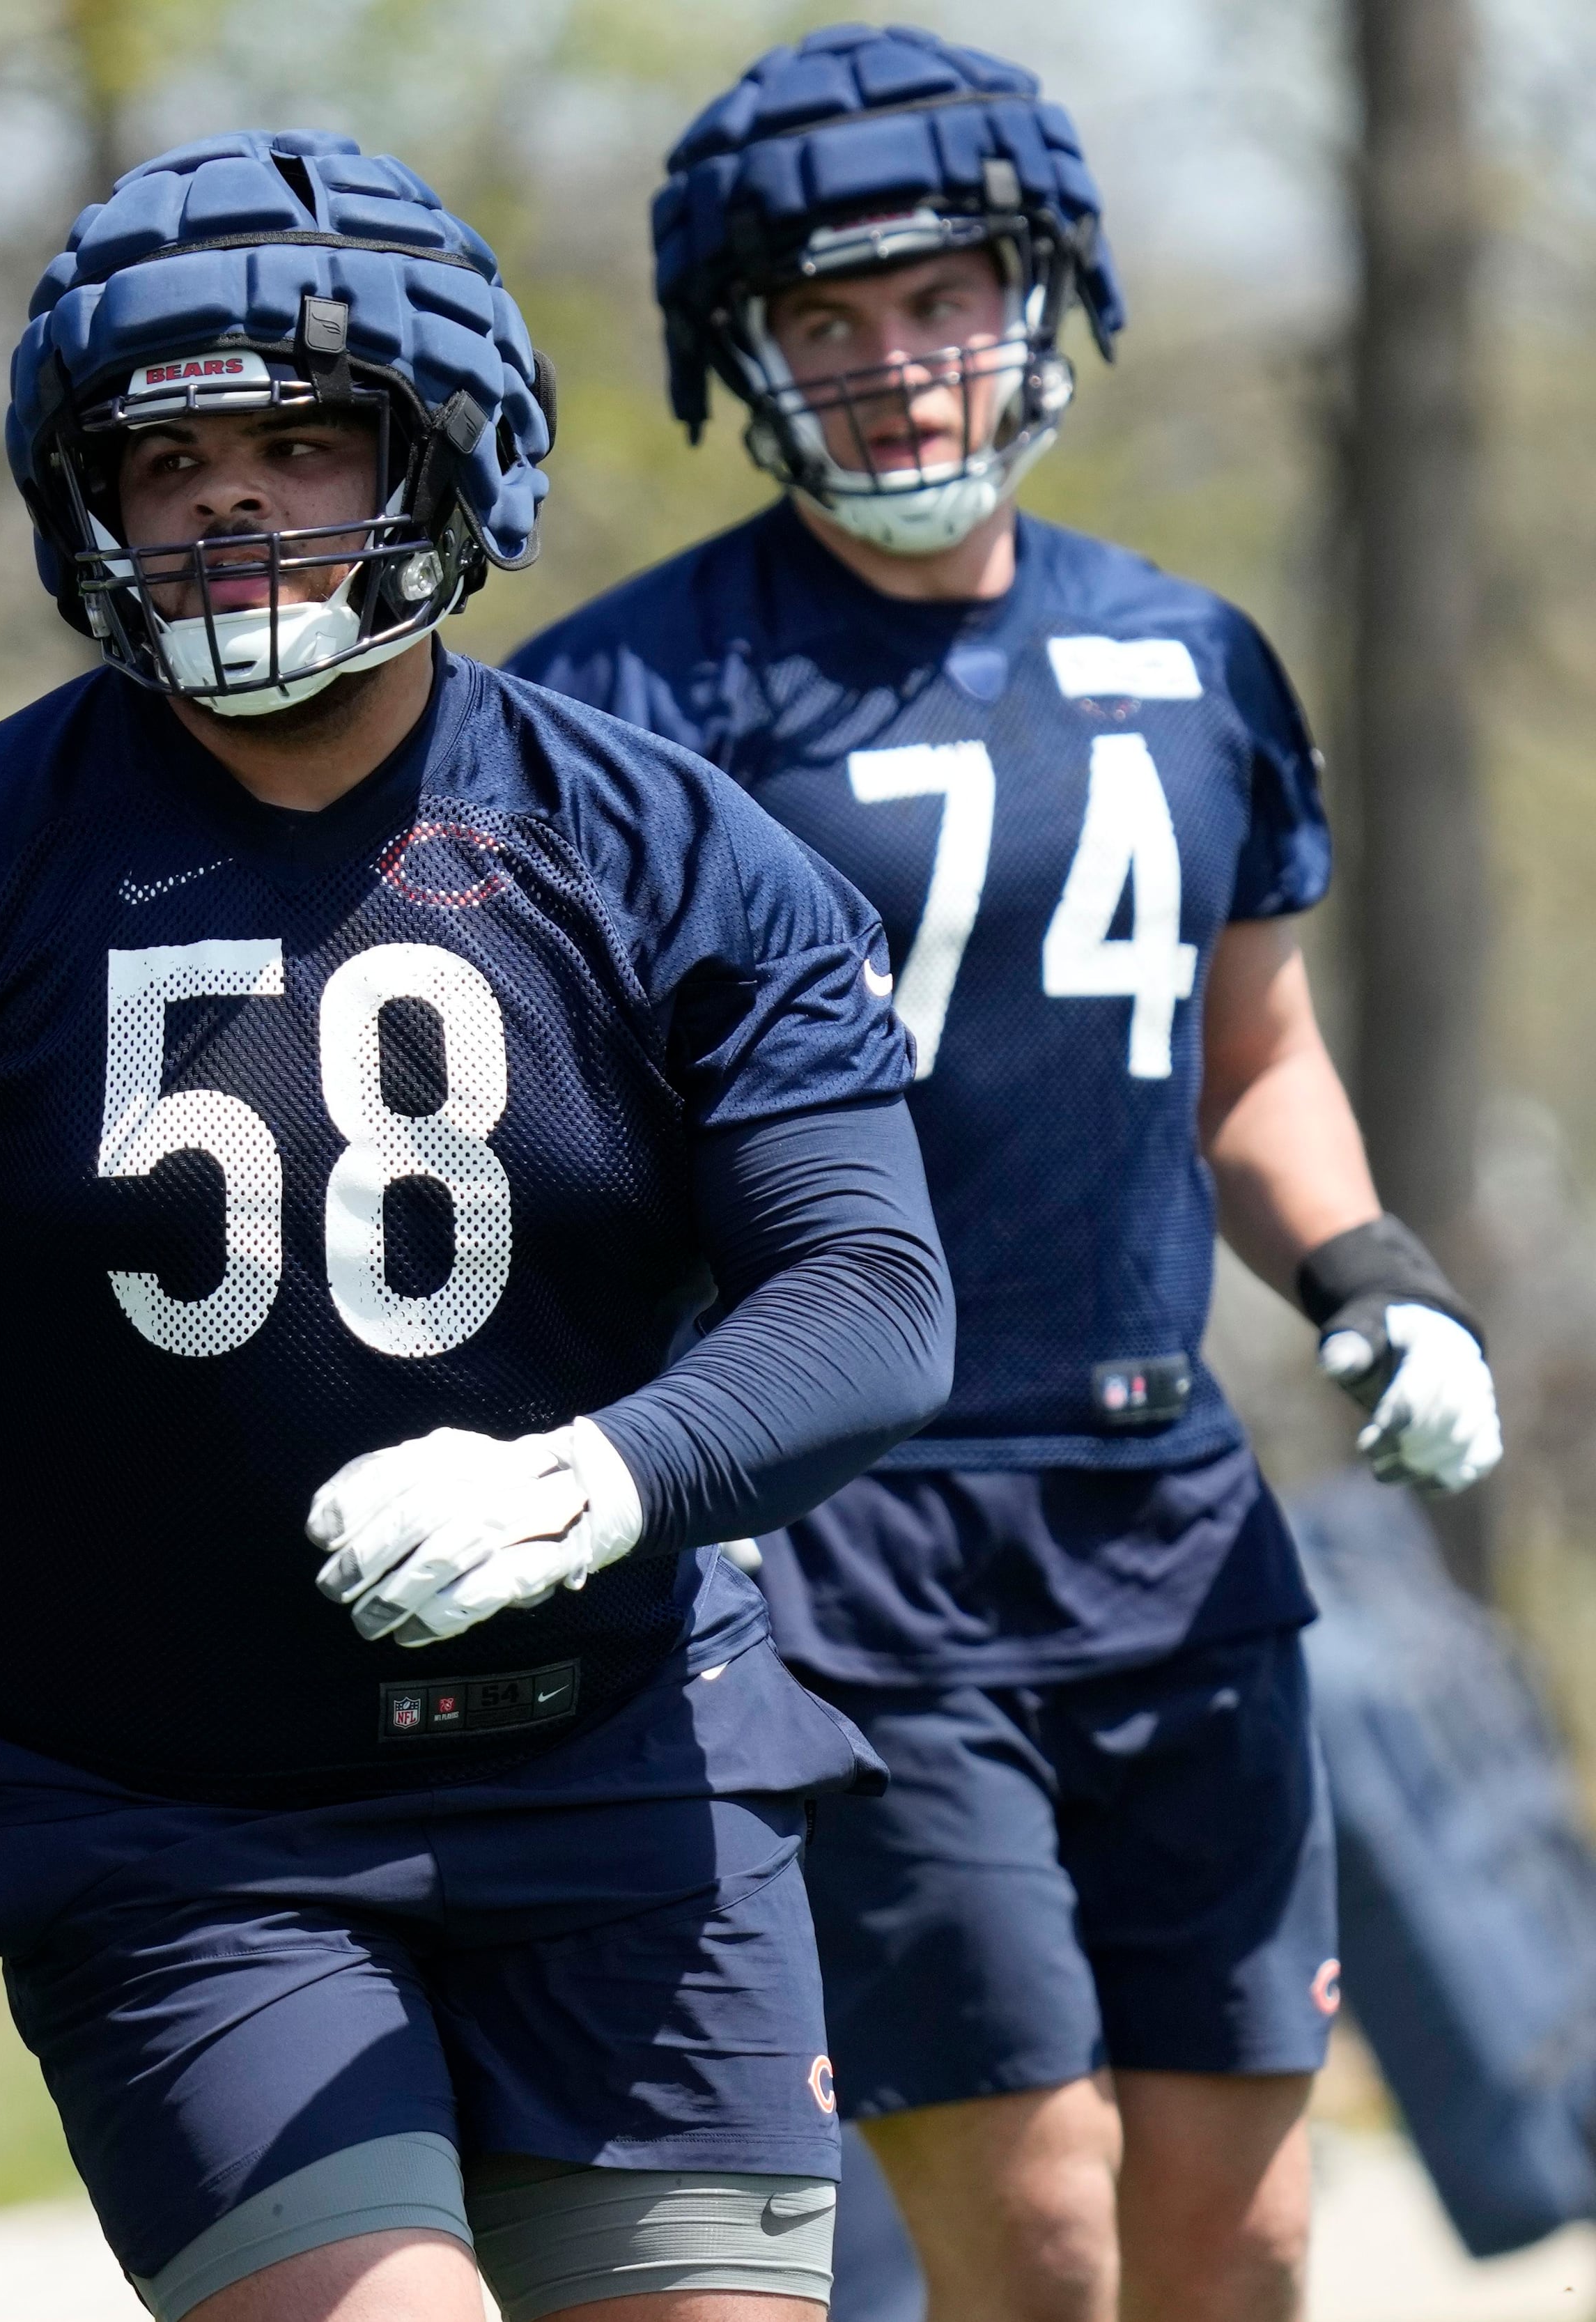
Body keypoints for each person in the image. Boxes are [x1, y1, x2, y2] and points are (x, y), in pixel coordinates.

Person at [0, 130, 959, 2322]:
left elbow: (877, 1292)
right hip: (176, 1813)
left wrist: (591, 1472)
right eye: (169, 464)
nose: (231, 504)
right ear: (87, 500)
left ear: (444, 461)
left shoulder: (669, 856)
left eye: (299, 440)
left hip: (628, 1769)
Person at [511, 29, 1506, 2322]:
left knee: (1241, 2243)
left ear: (1040, 299)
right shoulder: (625, 705)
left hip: (1170, 1510)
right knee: (1035, 2232)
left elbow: (1245, 1049)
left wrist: (1376, 1271)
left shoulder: (1191, 656)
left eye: (941, 298)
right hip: (850, 1530)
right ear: (734, 353)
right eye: (825, 320)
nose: (895, 365)